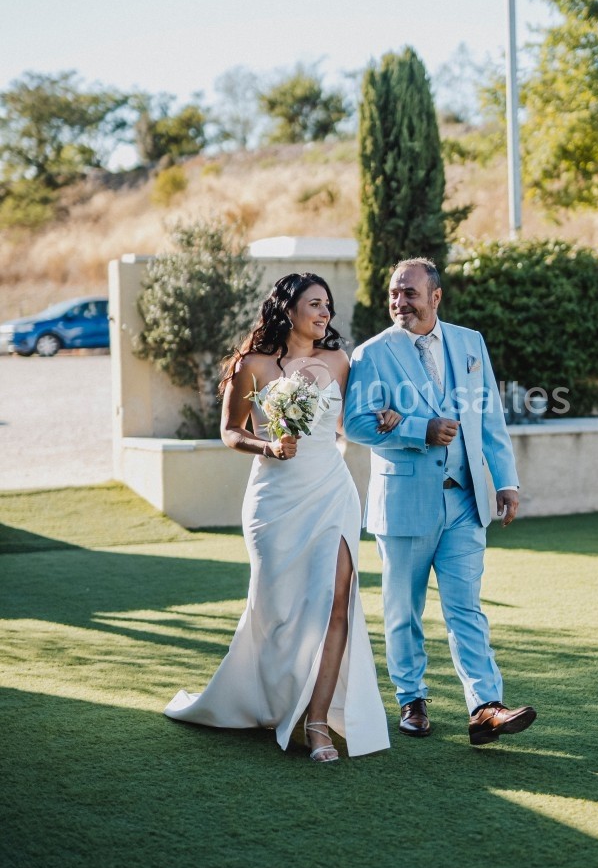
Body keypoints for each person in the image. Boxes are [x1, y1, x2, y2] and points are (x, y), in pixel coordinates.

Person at [164, 273, 390, 764]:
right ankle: (270, 700)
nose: (325, 313)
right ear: (288, 310)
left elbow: (350, 423)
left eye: (328, 304)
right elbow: (230, 431)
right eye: (315, 304)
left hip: (331, 492)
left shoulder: (339, 361)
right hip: (274, 500)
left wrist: (384, 419)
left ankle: (317, 721)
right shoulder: (252, 365)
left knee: (336, 600)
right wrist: (267, 445)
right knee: (279, 611)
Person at [343, 257, 537, 746]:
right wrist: (418, 430)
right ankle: (411, 698)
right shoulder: (371, 354)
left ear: (435, 297)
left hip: (466, 501)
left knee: (466, 608)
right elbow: (357, 424)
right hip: (404, 504)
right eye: (393, 293)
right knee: (403, 610)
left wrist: (506, 480)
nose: (399, 301)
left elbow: (488, 416)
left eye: (409, 293)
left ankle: (485, 706)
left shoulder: (470, 343)